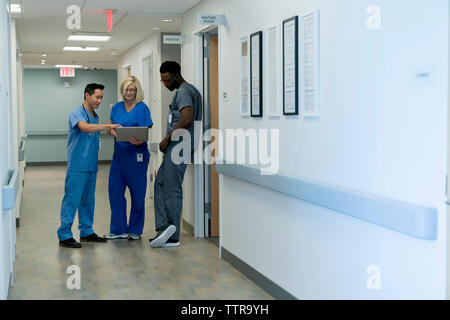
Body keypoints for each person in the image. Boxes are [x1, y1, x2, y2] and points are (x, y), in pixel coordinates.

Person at [57, 83, 120, 248]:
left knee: (88, 200)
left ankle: (86, 232)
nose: (99, 101)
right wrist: (108, 125)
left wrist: (108, 130)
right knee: (72, 200)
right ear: (87, 95)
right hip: (77, 165)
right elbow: (84, 128)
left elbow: (93, 131)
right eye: (97, 97)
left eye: (101, 98)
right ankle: (64, 235)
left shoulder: (95, 116)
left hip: (91, 165)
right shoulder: (76, 113)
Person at [149, 61, 202, 248]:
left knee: (171, 188)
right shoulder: (184, 91)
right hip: (176, 146)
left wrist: (166, 139)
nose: (164, 84)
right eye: (162, 80)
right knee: (161, 183)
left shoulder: (185, 91)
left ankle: (173, 236)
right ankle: (165, 228)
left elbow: (186, 118)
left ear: (176, 75)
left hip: (179, 145)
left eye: (166, 79)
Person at [104, 76, 153, 241]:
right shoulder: (117, 107)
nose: (128, 92)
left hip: (137, 158)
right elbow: (110, 126)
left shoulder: (142, 108)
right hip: (118, 158)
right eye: (125, 89)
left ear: (136, 90)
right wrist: (112, 131)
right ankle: (119, 230)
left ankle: (135, 230)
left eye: (131, 89)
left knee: (137, 195)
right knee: (115, 193)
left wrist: (139, 140)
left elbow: (145, 132)